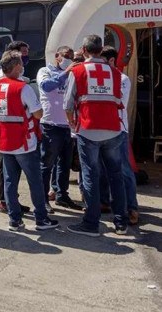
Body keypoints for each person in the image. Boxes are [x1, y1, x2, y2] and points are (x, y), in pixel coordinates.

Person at [64, 35, 128, 237]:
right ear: (101, 50)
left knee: (90, 175)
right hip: (113, 129)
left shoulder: (78, 71)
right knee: (116, 176)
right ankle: (121, 222)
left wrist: (72, 122)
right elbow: (118, 99)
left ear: (84, 50)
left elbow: (67, 104)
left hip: (88, 129)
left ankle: (91, 224)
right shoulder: (115, 73)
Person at [0, 50, 58, 231]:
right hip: (24, 142)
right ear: (16, 66)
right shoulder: (22, 88)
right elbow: (37, 113)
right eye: (21, 63)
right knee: (35, 181)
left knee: (10, 182)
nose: (23, 66)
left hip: (4, 142)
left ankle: (15, 220)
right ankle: (41, 219)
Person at [37, 45, 82, 211]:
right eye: (66, 56)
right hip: (50, 125)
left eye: (73, 57)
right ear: (57, 56)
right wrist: (66, 72)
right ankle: (42, 200)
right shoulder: (45, 71)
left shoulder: (72, 74)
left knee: (64, 164)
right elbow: (46, 86)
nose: (70, 59)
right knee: (46, 164)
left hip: (67, 126)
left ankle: (62, 195)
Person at [102, 46, 140, 225]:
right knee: (101, 169)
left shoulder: (123, 79)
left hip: (118, 130)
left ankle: (131, 207)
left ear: (111, 61)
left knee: (124, 170)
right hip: (99, 129)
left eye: (101, 62)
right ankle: (105, 203)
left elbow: (118, 103)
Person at [0, 40, 32, 214]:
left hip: (11, 130)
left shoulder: (16, 76)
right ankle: (6, 202)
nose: (26, 56)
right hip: (9, 131)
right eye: (23, 53)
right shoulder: (4, 77)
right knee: (7, 171)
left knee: (10, 171)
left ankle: (11, 202)